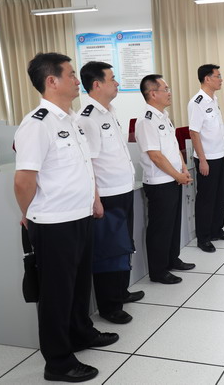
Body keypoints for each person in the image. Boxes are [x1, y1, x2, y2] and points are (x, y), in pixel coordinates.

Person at [14, 53, 118, 382]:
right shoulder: (37, 124)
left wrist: (93, 200)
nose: (77, 80)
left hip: (79, 216)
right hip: (53, 222)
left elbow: (82, 167)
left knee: (78, 285)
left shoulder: (71, 119)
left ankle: (80, 332)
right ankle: (58, 362)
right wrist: (29, 215)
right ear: (52, 81)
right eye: (71, 75)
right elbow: (23, 181)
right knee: (57, 295)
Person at [77, 61, 144, 325]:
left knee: (123, 246)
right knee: (109, 251)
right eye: (112, 79)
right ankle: (109, 306)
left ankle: (121, 291)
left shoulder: (110, 111)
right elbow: (89, 164)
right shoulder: (88, 118)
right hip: (106, 195)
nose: (117, 83)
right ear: (97, 84)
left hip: (123, 189)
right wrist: (96, 200)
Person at [135, 74, 195, 284]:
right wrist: (177, 175)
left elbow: (173, 148)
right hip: (160, 183)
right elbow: (155, 156)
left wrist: (183, 169)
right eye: (165, 89)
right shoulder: (146, 120)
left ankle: (172, 259)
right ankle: (158, 271)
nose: (169, 93)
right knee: (160, 228)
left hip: (174, 178)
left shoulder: (164, 116)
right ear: (153, 93)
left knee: (173, 224)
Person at [187, 64, 224, 252]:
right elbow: (194, 133)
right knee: (206, 199)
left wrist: (223, 154)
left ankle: (217, 230)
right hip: (206, 158)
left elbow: (215, 130)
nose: (221, 79)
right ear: (207, 79)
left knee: (218, 196)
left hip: (219, 156)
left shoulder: (213, 99)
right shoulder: (197, 102)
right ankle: (204, 238)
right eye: (218, 76)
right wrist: (202, 159)